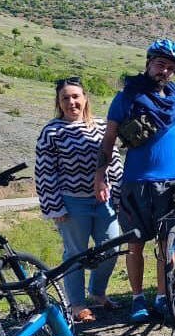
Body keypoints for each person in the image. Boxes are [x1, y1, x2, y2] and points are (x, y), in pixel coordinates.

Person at [97, 39, 175, 323]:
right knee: (136, 244)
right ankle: (137, 298)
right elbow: (109, 139)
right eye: (161, 64)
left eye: (171, 68)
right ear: (148, 62)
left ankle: (163, 296)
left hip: (171, 183)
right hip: (135, 182)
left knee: (166, 244)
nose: (165, 71)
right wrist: (100, 176)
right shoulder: (127, 97)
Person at [36, 76, 123, 322]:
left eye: (76, 96)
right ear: (59, 102)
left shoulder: (102, 126)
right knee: (76, 254)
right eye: (65, 98)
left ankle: (97, 292)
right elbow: (45, 172)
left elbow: (114, 162)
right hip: (71, 202)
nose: (71, 102)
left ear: (85, 98)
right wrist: (54, 207)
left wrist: (119, 196)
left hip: (104, 200)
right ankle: (76, 304)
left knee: (111, 247)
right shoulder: (51, 131)